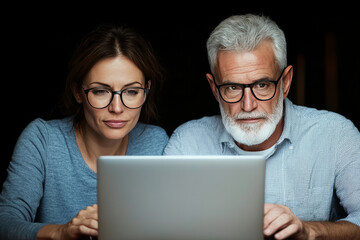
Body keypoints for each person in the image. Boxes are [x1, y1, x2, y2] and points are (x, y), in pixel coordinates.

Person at [164, 14, 360, 239]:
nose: (248, 105)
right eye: (232, 88)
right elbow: (165, 228)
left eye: (262, 85)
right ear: (214, 89)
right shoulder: (187, 144)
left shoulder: (335, 135)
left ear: (285, 83)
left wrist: (311, 230)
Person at [0, 24, 169, 239]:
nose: (116, 108)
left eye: (132, 91)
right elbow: (5, 223)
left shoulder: (155, 142)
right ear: (78, 92)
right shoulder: (42, 140)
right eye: (100, 91)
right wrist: (61, 232)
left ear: (145, 93)